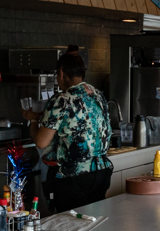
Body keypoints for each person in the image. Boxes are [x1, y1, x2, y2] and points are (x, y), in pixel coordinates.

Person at [23, 52, 113, 213]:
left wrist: (33, 121)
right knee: (95, 221)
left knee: (69, 225)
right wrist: (39, 116)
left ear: (62, 73)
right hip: (101, 171)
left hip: (74, 178)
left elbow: (41, 141)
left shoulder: (62, 99)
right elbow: (77, 118)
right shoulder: (97, 95)